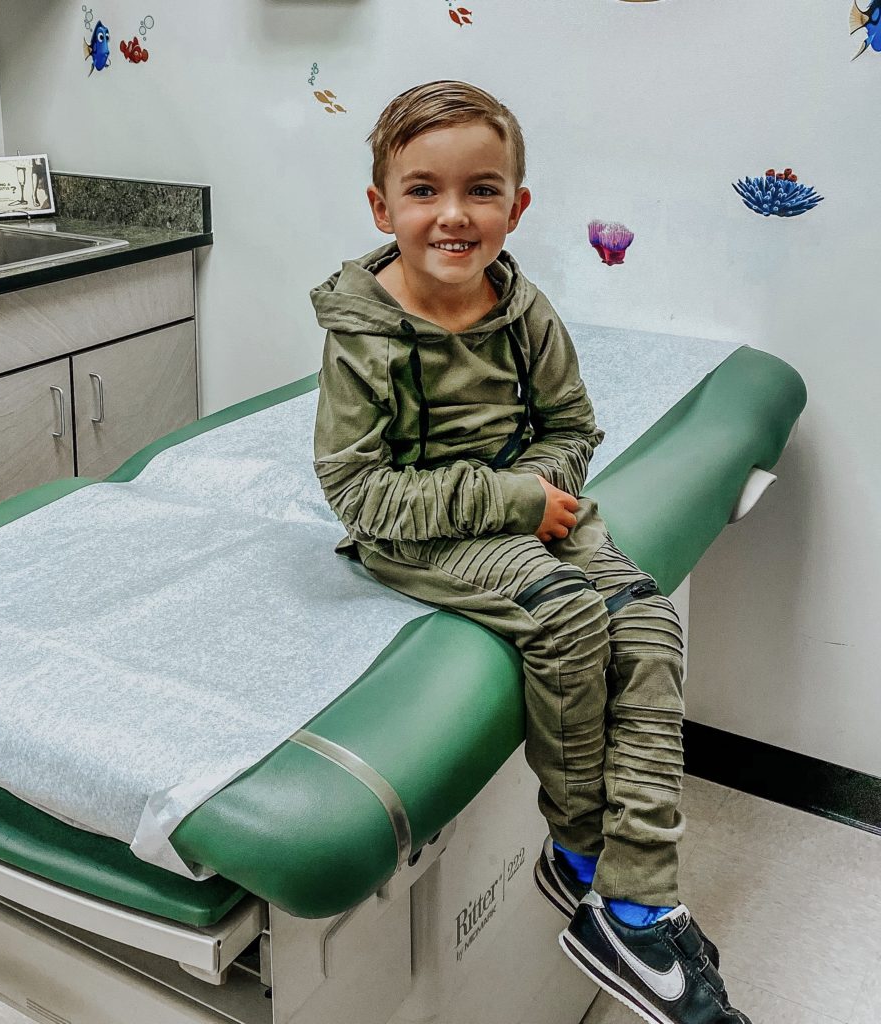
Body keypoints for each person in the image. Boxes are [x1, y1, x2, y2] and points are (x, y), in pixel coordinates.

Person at [311, 80, 750, 1024]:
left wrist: (543, 487)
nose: (454, 214)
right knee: (564, 613)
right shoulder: (364, 335)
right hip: (414, 531)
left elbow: (572, 425)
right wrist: (517, 498)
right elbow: (355, 490)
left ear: (518, 203)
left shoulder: (524, 307)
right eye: (423, 191)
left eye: (482, 189)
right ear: (383, 208)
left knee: (646, 625)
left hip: (535, 509)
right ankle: (587, 853)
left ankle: (636, 897)